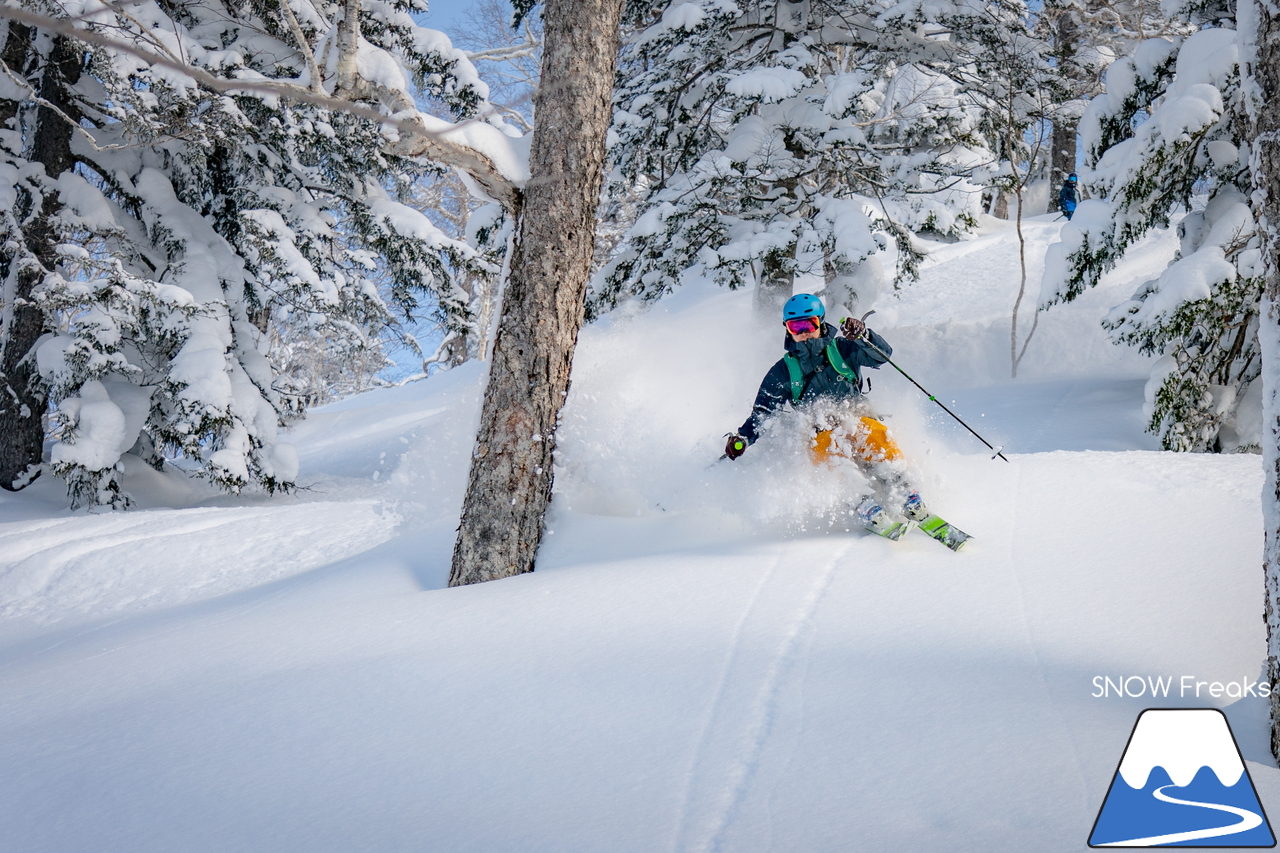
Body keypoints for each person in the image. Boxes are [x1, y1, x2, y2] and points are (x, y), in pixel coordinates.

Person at [723, 293, 931, 540]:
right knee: (826, 446)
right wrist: (743, 438)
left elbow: (882, 355)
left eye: (808, 324)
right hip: (819, 428)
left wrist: (864, 336)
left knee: (872, 432)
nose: (803, 332)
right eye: (795, 326)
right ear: (787, 329)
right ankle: (860, 502)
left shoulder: (843, 348)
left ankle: (904, 490)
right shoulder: (784, 370)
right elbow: (763, 412)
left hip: (856, 416)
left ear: (820, 322)